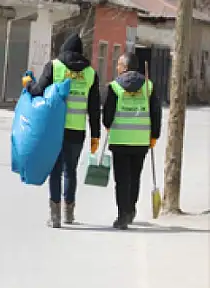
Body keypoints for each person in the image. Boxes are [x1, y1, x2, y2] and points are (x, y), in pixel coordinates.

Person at [22, 34, 101, 227]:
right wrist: (95, 135)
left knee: (55, 170)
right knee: (70, 171)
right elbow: (94, 107)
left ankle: (55, 216)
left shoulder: (55, 66)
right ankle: (69, 213)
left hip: (55, 129)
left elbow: (39, 90)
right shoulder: (90, 73)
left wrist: (27, 84)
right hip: (77, 130)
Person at [103, 52, 162, 230]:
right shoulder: (148, 86)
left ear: (126, 67)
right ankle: (130, 210)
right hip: (141, 141)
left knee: (122, 180)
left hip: (120, 140)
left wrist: (107, 125)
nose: (117, 68)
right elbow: (156, 113)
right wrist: (154, 135)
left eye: (119, 64)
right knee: (134, 177)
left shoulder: (114, 87)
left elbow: (107, 116)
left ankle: (122, 216)